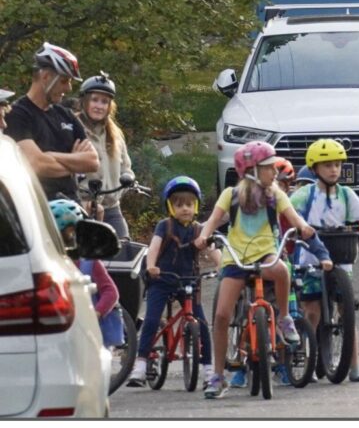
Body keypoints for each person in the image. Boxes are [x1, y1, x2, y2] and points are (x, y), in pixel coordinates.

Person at [194, 140, 323, 399]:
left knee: (282, 271)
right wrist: (204, 236)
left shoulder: (276, 194)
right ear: (252, 170)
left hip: (265, 253)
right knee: (221, 315)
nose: (274, 172)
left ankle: (285, 318)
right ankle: (218, 375)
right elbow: (214, 219)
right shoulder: (230, 195)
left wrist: (303, 227)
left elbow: (294, 218)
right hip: (236, 258)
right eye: (268, 167)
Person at [290, 139, 359, 383]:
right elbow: (288, 213)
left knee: (346, 309)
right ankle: (310, 362)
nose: (333, 170)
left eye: (336, 165)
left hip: (340, 253)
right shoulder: (304, 194)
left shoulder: (345, 194)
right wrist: (296, 229)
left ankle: (354, 365)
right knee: (311, 309)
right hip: (311, 254)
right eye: (327, 166)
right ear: (314, 169)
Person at [128, 176, 220, 388]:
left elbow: (211, 249)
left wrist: (220, 264)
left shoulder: (199, 229)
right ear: (170, 206)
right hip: (162, 279)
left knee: (203, 324)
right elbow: (153, 248)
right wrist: (151, 267)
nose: (185, 209)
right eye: (179, 205)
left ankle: (208, 369)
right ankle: (140, 364)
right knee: (151, 319)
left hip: (189, 280)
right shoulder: (164, 226)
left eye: (189, 204)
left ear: (196, 206)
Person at [5, 42, 98, 201]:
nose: (68, 88)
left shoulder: (66, 115)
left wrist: (49, 156)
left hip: (73, 205)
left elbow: (92, 161)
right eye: (64, 81)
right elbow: (37, 165)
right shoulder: (17, 114)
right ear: (46, 77)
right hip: (39, 211)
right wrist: (74, 164)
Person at [49, 198, 123, 351]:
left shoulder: (89, 263)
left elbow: (111, 292)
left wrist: (96, 313)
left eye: (68, 237)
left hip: (91, 336)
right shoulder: (47, 264)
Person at [75, 73, 133, 239]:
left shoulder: (115, 133)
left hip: (112, 208)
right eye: (95, 100)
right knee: (87, 259)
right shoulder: (73, 128)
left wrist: (127, 178)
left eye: (104, 102)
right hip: (83, 207)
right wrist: (79, 200)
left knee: (124, 252)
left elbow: (126, 167)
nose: (99, 106)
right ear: (84, 101)